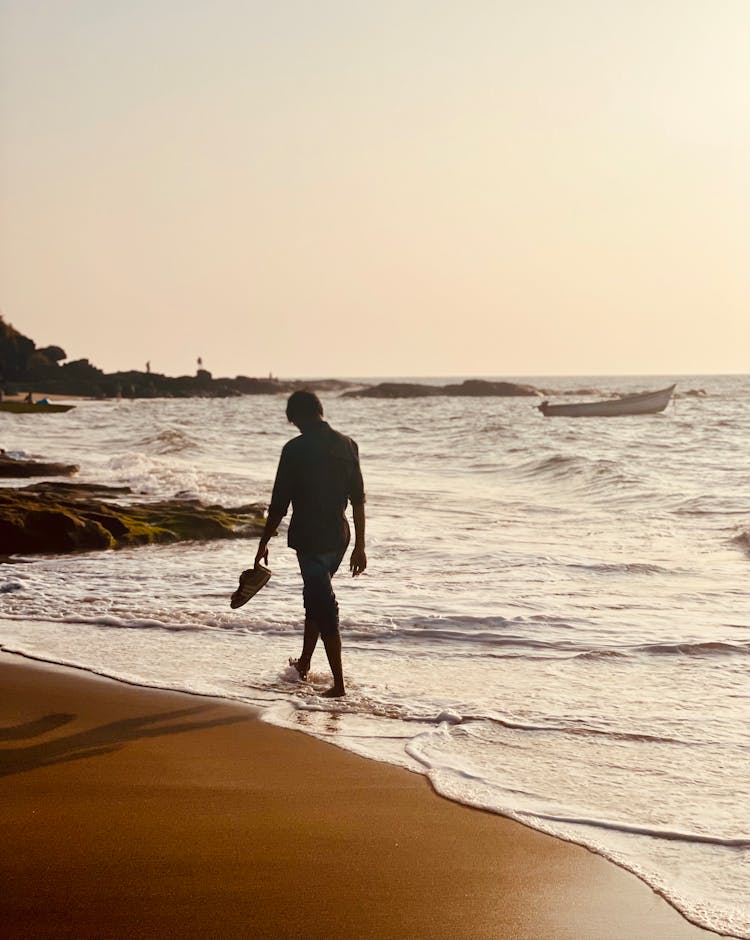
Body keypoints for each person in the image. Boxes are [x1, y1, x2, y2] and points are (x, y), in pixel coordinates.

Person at [254, 390, 366, 697]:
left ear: (294, 417)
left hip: (311, 539)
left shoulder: (294, 449)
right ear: (320, 409)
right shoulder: (348, 444)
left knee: (324, 605)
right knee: (315, 597)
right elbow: (358, 501)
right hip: (341, 538)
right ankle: (304, 663)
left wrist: (263, 542)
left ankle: (339, 685)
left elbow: (279, 504)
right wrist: (360, 546)